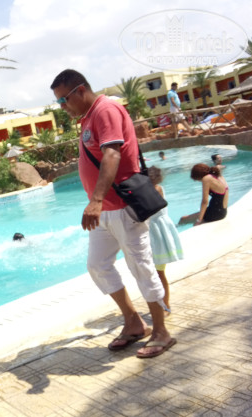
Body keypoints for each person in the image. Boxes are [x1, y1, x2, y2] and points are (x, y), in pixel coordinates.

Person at [50, 69, 175, 359]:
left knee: (141, 267)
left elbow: (112, 154)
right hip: (104, 211)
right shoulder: (88, 117)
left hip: (120, 206)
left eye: (64, 99)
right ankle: (133, 322)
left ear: (81, 90)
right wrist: (97, 203)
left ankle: (161, 331)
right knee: (97, 265)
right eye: (58, 102)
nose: (62, 106)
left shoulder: (105, 110)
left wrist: (96, 199)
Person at [146, 167, 184, 314]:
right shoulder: (159, 188)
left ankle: (165, 305)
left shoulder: (152, 191)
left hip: (157, 235)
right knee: (159, 272)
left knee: (158, 273)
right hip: (162, 232)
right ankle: (164, 304)